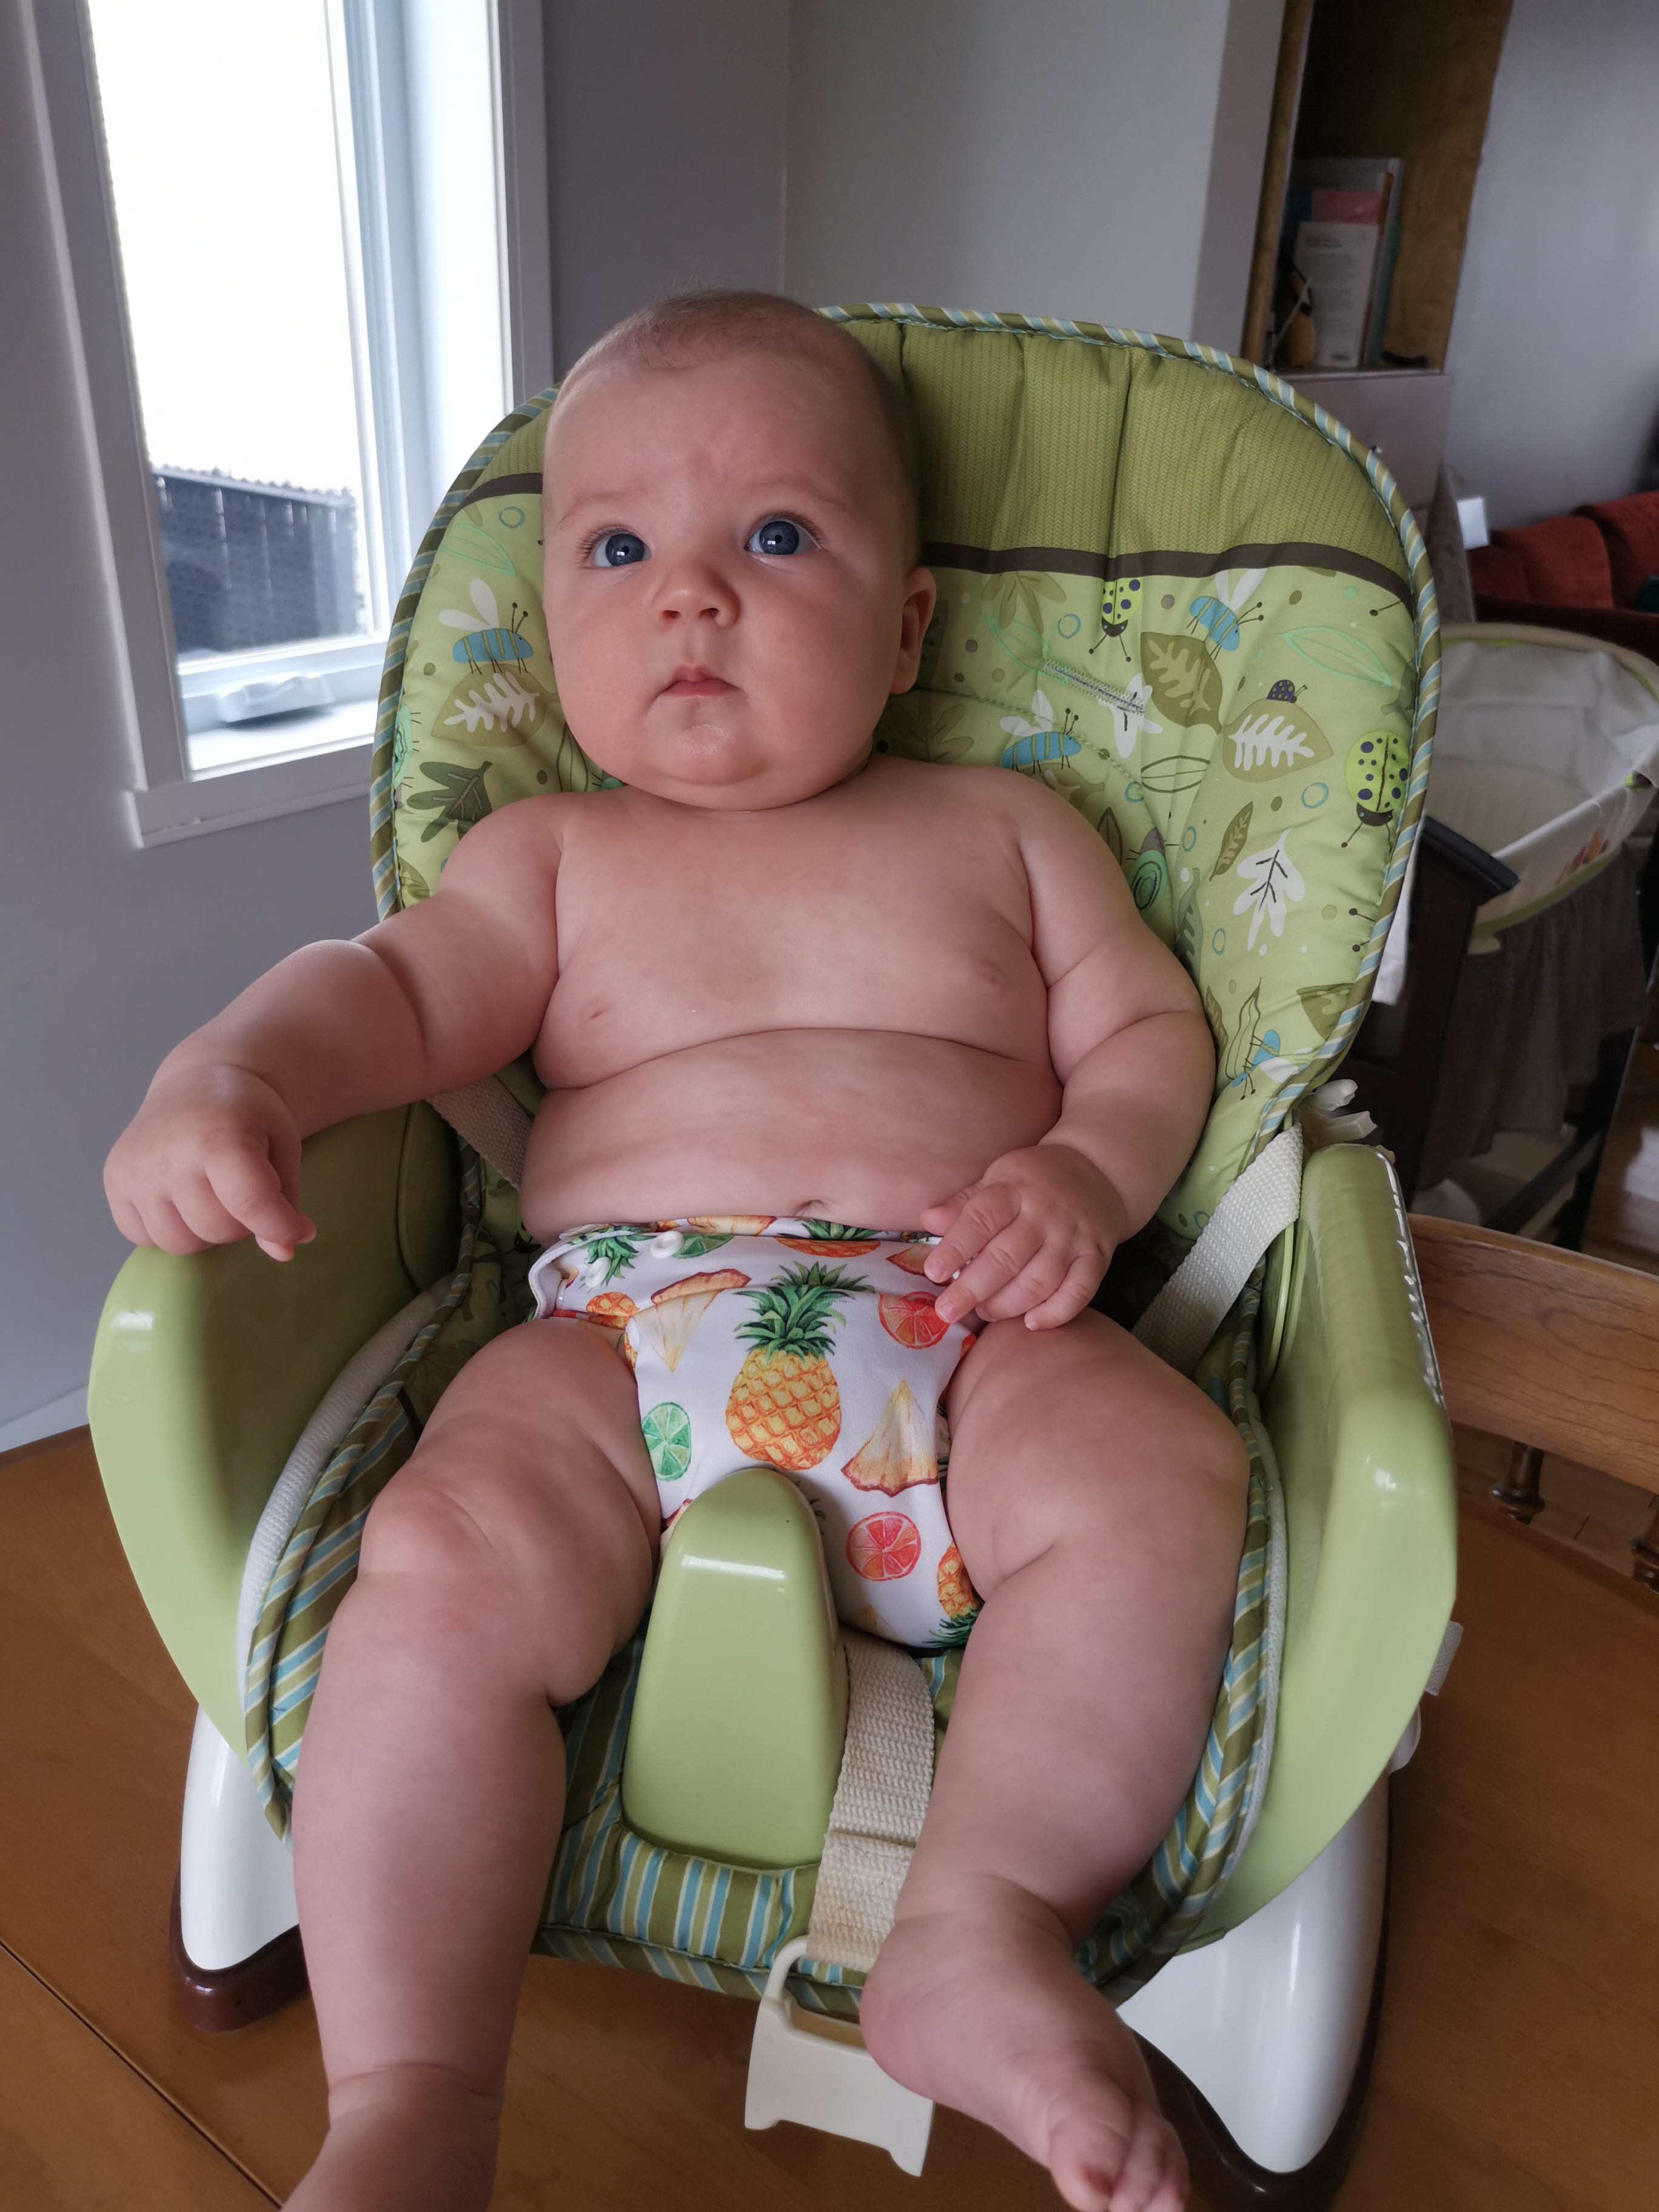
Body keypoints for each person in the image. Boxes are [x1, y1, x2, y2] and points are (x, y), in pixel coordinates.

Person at [105, 291, 1246, 2212]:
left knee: (1156, 1474)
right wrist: (231, 1075)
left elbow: (1148, 1033)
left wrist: (1084, 1173)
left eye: (775, 536)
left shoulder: (1010, 830)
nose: (691, 594)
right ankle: (411, 2097)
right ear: (553, 616)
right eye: (618, 548)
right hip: (624, 1338)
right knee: (443, 1563)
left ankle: (981, 1925)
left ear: (909, 627)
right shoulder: (553, 859)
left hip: (964, 1319)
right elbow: (390, 995)